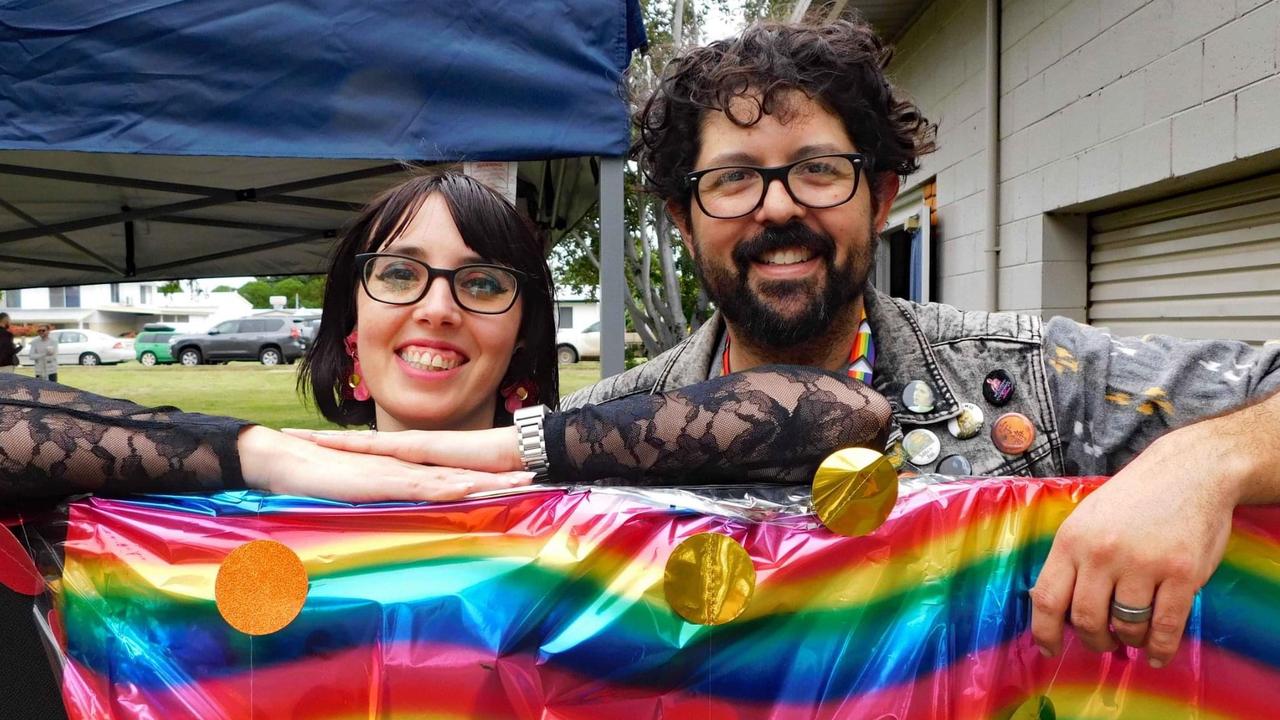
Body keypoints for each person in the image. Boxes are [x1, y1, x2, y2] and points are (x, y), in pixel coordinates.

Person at [322, 21, 1280, 670]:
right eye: (734, 181)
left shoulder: (1027, 383)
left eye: (817, 170)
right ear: (684, 219)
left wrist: (1205, 462)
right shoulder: (599, 440)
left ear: (883, 193)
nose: (779, 209)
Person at [2, 171, 891, 505]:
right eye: (399, 274)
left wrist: (502, 458)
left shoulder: (594, 492)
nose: (436, 308)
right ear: (351, 328)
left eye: (482, 283)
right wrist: (277, 458)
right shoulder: (223, 495)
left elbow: (841, 413)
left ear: (521, 342)